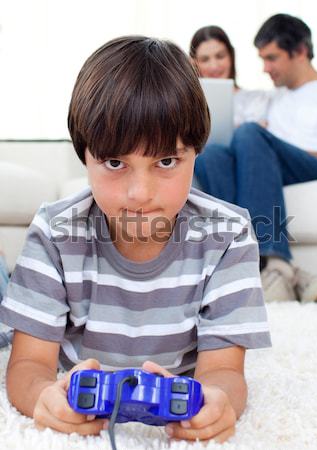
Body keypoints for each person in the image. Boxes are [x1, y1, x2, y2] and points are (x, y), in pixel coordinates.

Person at [0, 36, 271, 443]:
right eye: (114, 162)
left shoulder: (228, 235)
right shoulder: (56, 232)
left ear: (196, 151)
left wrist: (219, 401)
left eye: (165, 161)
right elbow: (28, 364)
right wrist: (42, 396)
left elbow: (224, 372)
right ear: (84, 155)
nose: (139, 193)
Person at [194, 14, 317, 302]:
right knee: (210, 156)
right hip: (276, 166)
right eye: (262, 59)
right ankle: (270, 270)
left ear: (300, 51)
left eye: (272, 58)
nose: (265, 68)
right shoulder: (273, 99)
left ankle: (272, 257)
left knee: (250, 134)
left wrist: (276, 146)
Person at [189, 25, 271, 127]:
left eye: (220, 56)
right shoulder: (188, 107)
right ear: (194, 64)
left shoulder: (256, 98)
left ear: (231, 57)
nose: (214, 66)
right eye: (205, 60)